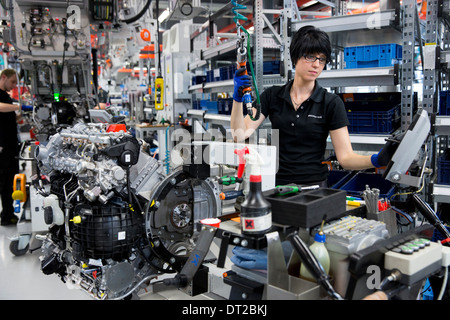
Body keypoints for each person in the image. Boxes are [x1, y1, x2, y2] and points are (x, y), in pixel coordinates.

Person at [230, 25, 396, 187]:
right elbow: (240, 134)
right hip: (276, 186)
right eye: (310, 56)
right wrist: (237, 98)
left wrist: (376, 160)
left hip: (314, 189)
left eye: (321, 59)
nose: (316, 64)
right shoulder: (272, 96)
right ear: (295, 58)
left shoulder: (330, 103)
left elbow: (345, 158)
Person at [0, 68, 20, 226]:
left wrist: (18, 115)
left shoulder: (6, 96)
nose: (13, 86)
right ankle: (7, 216)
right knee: (5, 181)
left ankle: (9, 213)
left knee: (10, 181)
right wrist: (17, 107)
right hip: (3, 146)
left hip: (11, 145)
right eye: (12, 82)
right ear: (3, 77)